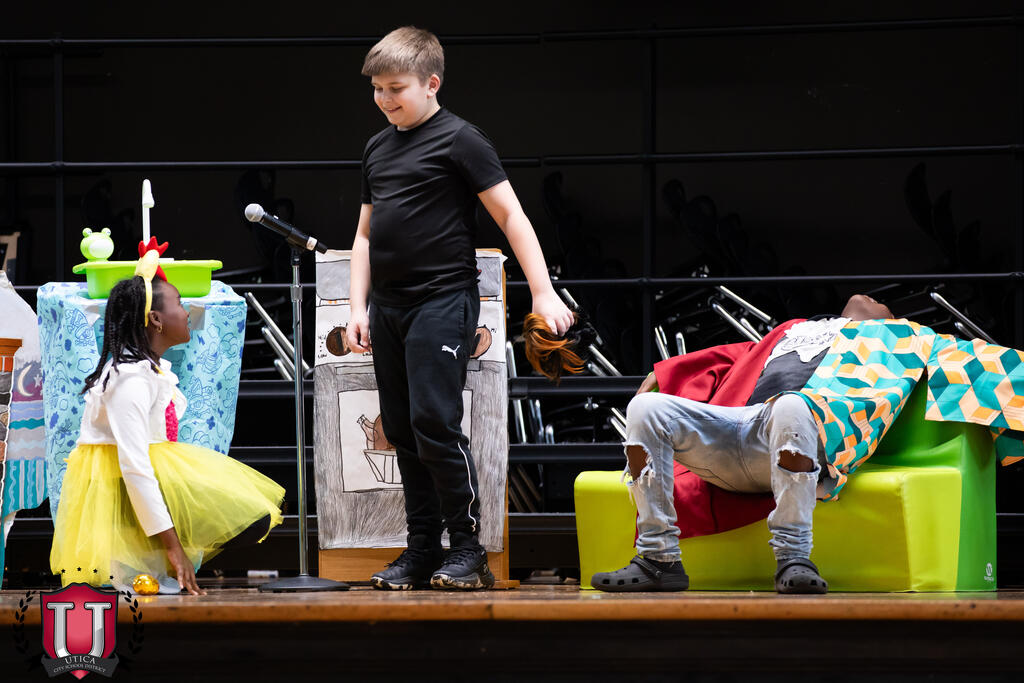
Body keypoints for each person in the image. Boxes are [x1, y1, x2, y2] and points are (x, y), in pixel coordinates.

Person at [346, 26, 574, 591]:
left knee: (433, 422)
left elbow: (512, 216)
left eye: (396, 88)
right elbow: (365, 235)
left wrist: (543, 291)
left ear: (431, 83)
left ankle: (469, 551)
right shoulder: (376, 148)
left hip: (443, 300)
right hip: (389, 308)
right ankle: (422, 549)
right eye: (376, 89)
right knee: (401, 429)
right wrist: (357, 307)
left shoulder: (461, 140)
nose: (384, 99)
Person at [591, 294, 894, 595]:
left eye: (884, 304)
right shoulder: (796, 328)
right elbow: (736, 356)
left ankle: (794, 558)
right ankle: (659, 558)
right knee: (645, 407)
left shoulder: (896, 339)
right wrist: (665, 372)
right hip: (740, 425)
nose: (870, 295)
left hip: (796, 435)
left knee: (791, 404)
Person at [50, 241, 285, 595]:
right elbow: (134, 468)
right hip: (124, 485)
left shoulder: (148, 371)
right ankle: (145, 548)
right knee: (251, 518)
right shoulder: (129, 379)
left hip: (148, 475)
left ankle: (152, 551)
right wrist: (175, 547)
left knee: (254, 516)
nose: (186, 311)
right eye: (178, 303)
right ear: (156, 319)